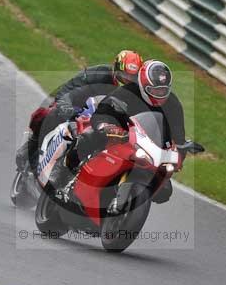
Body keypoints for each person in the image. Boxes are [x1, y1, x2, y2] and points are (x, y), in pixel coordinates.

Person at [56, 60, 185, 202]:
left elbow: (178, 135)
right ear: (143, 86)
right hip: (119, 136)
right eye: (154, 90)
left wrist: (179, 153)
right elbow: (103, 110)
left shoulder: (173, 104)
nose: (159, 94)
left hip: (149, 149)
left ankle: (126, 206)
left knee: (164, 191)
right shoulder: (127, 91)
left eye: (163, 90)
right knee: (87, 138)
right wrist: (104, 126)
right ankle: (62, 175)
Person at [15, 50, 143, 173]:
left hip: (101, 120)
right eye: (124, 75)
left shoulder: (136, 91)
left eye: (131, 78)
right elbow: (70, 88)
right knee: (49, 115)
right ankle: (30, 147)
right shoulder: (97, 74)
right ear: (116, 69)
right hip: (78, 108)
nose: (126, 80)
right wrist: (64, 105)